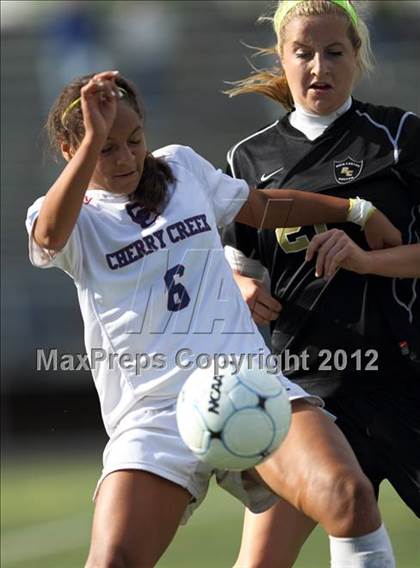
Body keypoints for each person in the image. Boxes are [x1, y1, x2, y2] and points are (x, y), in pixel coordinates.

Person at [25, 70, 399, 568]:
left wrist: (354, 209)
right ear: (72, 151)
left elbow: (261, 207)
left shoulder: (179, 167)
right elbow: (48, 238)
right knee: (111, 561)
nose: (125, 157)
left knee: (348, 496)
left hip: (243, 384)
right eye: (104, 148)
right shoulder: (72, 215)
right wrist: (94, 136)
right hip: (153, 414)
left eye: (133, 141)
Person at [222, 0, 420, 566]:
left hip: (401, 378)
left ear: (356, 56)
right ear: (281, 58)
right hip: (307, 393)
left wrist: (366, 261)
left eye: (334, 52)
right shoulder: (248, 158)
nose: (318, 68)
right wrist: (239, 286)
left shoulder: (399, 136)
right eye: (303, 53)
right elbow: (236, 259)